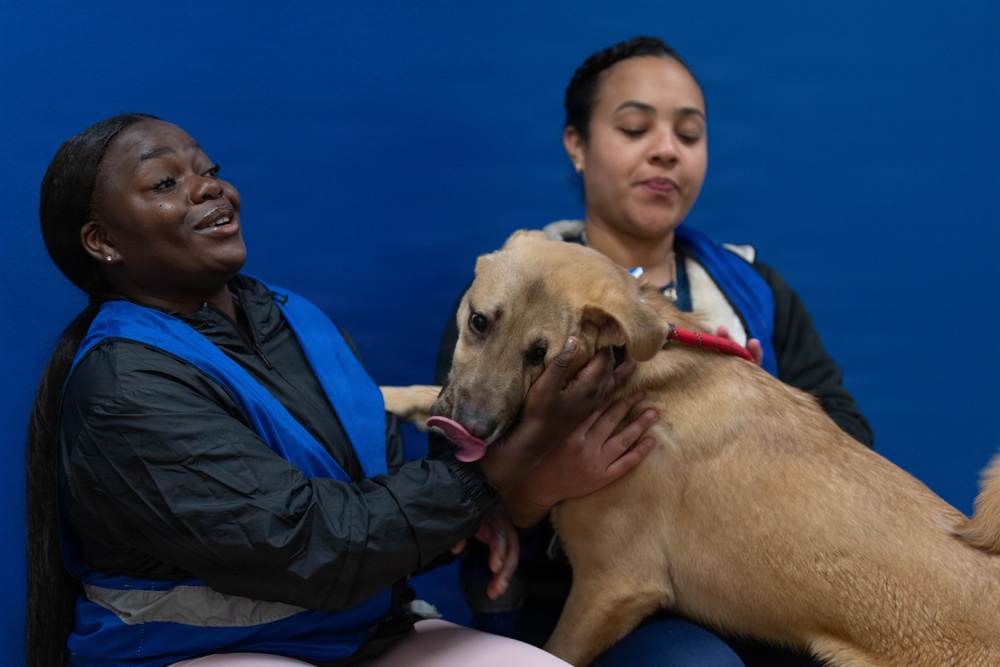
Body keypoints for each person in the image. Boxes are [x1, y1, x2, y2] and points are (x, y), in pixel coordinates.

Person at [24, 113, 660, 667]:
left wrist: (457, 523)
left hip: (354, 634)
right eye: (166, 183)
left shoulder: (296, 320)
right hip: (189, 652)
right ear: (102, 242)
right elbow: (313, 546)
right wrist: (502, 466)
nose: (208, 186)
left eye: (208, 170)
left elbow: (376, 503)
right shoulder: (122, 387)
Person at [435, 36, 874, 667]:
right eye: (635, 128)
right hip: (577, 600)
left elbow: (848, 437)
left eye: (688, 135)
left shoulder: (751, 291)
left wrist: (749, 418)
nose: (666, 149)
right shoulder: (507, 293)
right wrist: (537, 491)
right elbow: (444, 485)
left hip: (751, 588)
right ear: (577, 144)